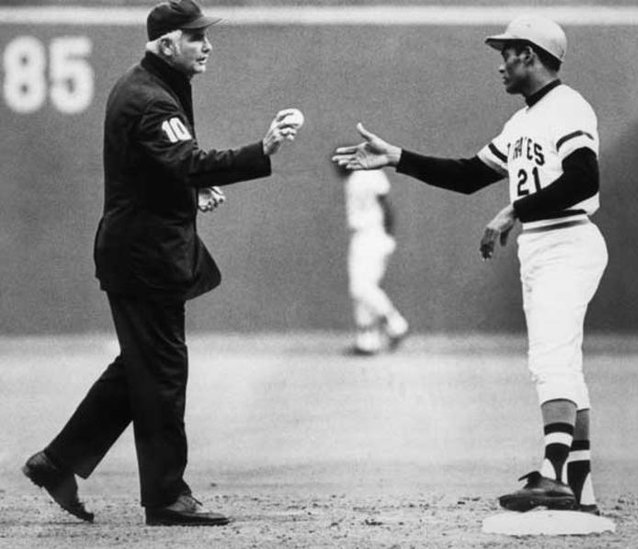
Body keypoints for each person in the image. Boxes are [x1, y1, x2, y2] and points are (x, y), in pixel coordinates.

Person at [22, 0, 299, 527]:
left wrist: (192, 190)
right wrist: (259, 149)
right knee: (164, 374)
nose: (207, 44)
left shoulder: (146, 87)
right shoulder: (152, 99)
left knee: (140, 368)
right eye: (195, 37)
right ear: (167, 44)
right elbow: (185, 160)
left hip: (137, 251)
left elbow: (160, 168)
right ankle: (166, 497)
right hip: (144, 258)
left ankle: (56, 462)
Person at [333, 15, 607, 515]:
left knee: (551, 360)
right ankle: (579, 487)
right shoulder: (523, 121)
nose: (500, 63)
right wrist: (397, 156)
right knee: (562, 361)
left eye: (506, 53)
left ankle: (552, 477)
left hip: (567, 240)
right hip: (544, 245)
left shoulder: (567, 108)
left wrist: (514, 209)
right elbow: (467, 176)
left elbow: (584, 178)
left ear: (529, 54)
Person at [340, 165, 409, 355]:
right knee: (363, 288)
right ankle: (367, 341)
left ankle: (396, 324)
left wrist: (388, 235)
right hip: (364, 236)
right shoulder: (353, 179)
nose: (337, 168)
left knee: (361, 287)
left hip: (371, 235)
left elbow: (386, 205)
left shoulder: (369, 175)